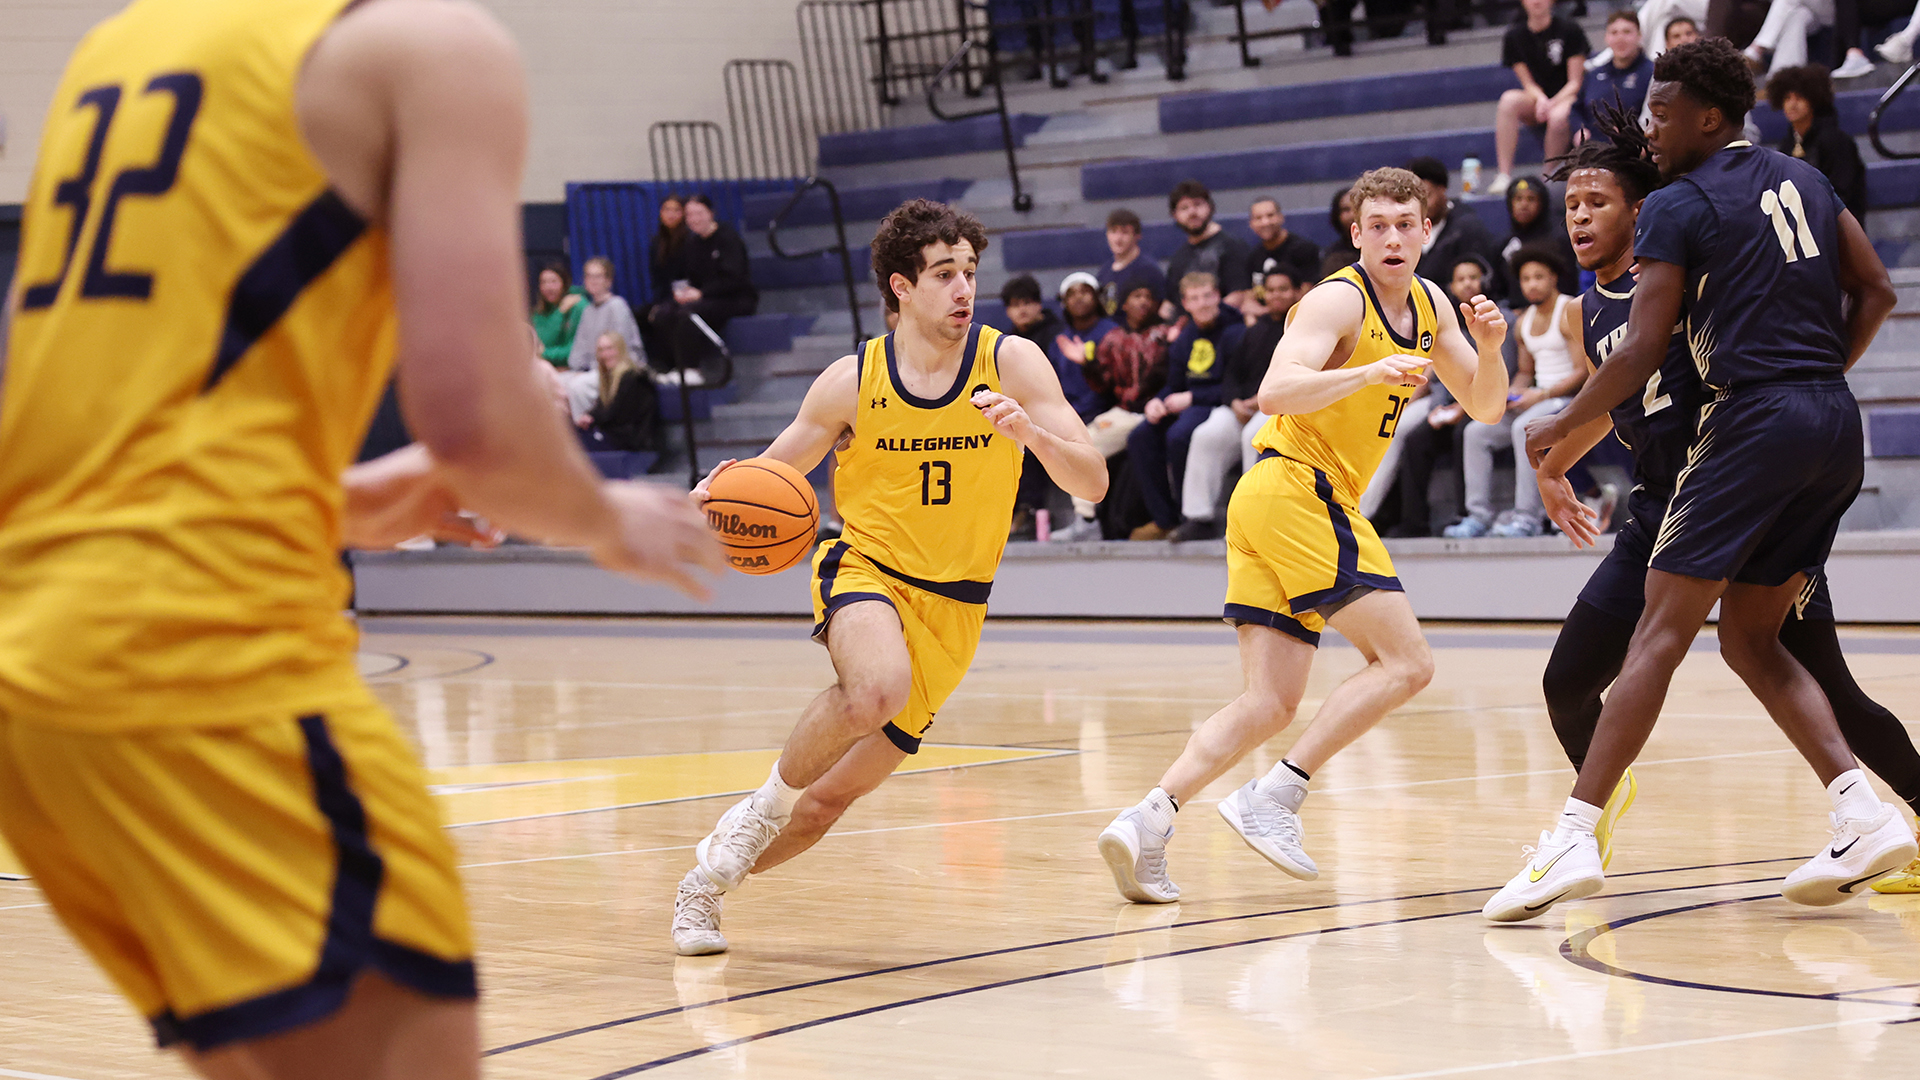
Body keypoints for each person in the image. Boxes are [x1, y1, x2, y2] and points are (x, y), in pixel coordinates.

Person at [0, 1, 722, 1076]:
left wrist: (330, 499)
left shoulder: (120, 47)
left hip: (35, 673)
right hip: (209, 666)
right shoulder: (429, 49)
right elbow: (479, 424)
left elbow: (85, 429)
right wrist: (605, 515)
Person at [1500, 39, 1908, 922]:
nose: (1648, 124)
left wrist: (1563, 424)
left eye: (1660, 110)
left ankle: (1572, 836)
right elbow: (1875, 291)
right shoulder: (1804, 178)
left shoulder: (1678, 204)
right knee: (1752, 640)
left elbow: (1647, 348)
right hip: (1834, 422)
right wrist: (1809, 376)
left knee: (1660, 630)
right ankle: (1860, 811)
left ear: (1709, 116)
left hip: (1750, 427)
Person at [669, 199, 1106, 955]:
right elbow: (769, 476)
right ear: (901, 286)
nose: (964, 289)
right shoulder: (852, 380)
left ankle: (703, 885)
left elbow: (1093, 482)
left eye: (970, 272)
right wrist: (711, 497)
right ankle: (759, 806)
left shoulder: (1012, 363)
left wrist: (1032, 435)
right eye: (944, 274)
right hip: (866, 567)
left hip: (957, 609)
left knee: (827, 804)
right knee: (873, 690)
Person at [1098, 168, 1512, 904]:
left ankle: (1147, 820)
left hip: (1270, 500)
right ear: (1356, 234)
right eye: (1375, 224)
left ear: (1426, 231)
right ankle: (1277, 795)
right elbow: (1275, 391)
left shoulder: (1431, 303)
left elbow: (1483, 407)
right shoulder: (1337, 299)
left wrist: (1491, 344)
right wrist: (1364, 373)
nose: (1390, 237)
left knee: (1269, 704)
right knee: (1407, 663)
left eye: (1403, 224)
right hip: (1298, 488)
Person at [1445, 247, 1587, 538]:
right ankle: (1478, 516)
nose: (1532, 284)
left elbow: (1582, 372)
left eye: (1539, 277)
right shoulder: (1523, 322)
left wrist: (1542, 394)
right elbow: (1525, 371)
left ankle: (1527, 518)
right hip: (1538, 398)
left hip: (1568, 400)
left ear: (1554, 278)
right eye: (1526, 279)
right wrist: (1512, 393)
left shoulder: (1567, 311)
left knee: (1525, 428)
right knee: (1476, 432)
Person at [1173, 267, 1305, 543]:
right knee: (1206, 435)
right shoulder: (1253, 330)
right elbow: (1232, 373)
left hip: (1283, 404)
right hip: (1243, 405)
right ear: (1262, 294)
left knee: (1253, 436)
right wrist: (1233, 401)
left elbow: (1304, 371)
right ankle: (1198, 517)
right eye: (1270, 290)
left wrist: (1262, 399)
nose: (1277, 295)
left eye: (1283, 289)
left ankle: (1254, 519)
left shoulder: (1304, 328)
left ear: (1296, 292)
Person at [1127, 273, 1245, 541]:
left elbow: (1235, 387)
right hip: (1190, 401)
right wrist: (1157, 401)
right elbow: (1174, 383)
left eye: (1207, 296)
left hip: (1217, 404)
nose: (1202, 304)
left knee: (1179, 435)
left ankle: (1188, 516)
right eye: (1195, 298)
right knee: (1141, 436)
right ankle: (1163, 519)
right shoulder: (1185, 336)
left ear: (1217, 296)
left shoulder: (1235, 331)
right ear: (1185, 304)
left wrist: (1193, 398)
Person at [1059, 282, 1173, 542]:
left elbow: (1172, 376)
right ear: (1124, 304)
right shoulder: (1114, 339)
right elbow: (1104, 385)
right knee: (1082, 444)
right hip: (1125, 412)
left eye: (1147, 295)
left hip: (1157, 409)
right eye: (1136, 295)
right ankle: (1085, 519)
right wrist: (1087, 365)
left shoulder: (1166, 334)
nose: (1143, 301)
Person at [650, 194, 756, 386]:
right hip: (705, 298)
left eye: (699, 213)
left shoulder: (727, 238)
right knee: (663, 313)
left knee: (688, 315)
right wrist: (684, 292)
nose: (694, 219)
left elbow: (735, 279)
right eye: (690, 215)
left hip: (735, 298)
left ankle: (692, 369)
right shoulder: (692, 244)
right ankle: (669, 366)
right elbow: (690, 278)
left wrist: (701, 293)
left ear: (711, 214)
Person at [1493, 0, 1591, 196]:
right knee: (1508, 100)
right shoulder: (1514, 36)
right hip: (1539, 99)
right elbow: (1527, 83)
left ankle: (1547, 176)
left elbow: (1575, 83)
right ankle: (1503, 174)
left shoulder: (1570, 29)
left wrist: (1552, 103)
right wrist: (1541, 100)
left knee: (1558, 115)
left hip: (1569, 97)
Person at [1767, 65, 1869, 222]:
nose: (1792, 104)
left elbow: (1843, 196)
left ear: (1813, 100)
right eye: (1787, 98)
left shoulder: (1837, 141)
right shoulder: (1786, 144)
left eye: (1799, 98)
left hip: (1837, 229)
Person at [1409, 157, 1508, 303]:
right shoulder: (1404, 230)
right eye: (1415, 198)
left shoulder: (1468, 229)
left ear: (1442, 190)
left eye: (1427, 196)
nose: (1422, 205)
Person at [567, 257, 646, 420]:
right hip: (594, 370)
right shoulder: (587, 311)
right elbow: (578, 351)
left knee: (578, 386)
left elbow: (620, 351)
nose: (593, 281)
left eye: (598, 276)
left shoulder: (617, 306)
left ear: (608, 281)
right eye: (589, 276)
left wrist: (591, 370)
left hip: (620, 370)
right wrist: (576, 369)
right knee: (557, 382)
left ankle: (590, 434)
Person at [1164, 180, 1253, 319]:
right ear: (1174, 215)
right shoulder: (1178, 258)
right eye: (1184, 208)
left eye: (1197, 204)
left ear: (1210, 207)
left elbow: (1239, 296)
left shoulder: (1232, 246)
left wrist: (1202, 319)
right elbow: (1170, 304)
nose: (1192, 212)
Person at [577, 333, 660, 454]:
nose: (605, 355)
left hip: (633, 440)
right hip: (618, 435)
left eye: (610, 349)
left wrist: (592, 419)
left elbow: (617, 415)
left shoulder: (632, 378)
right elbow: (602, 406)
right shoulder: (610, 379)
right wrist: (588, 416)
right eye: (601, 350)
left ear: (620, 349)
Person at [1499, 177, 1581, 296]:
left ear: (1542, 203)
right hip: (1511, 311)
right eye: (1518, 199)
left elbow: (1569, 284)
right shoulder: (1504, 242)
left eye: (1531, 199)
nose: (1524, 205)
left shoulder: (1559, 240)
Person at [1578, 10, 1656, 134]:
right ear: (1606, 38)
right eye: (1614, 33)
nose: (1620, 39)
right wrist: (1578, 129)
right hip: (1592, 144)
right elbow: (1576, 108)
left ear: (1639, 36)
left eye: (1627, 32)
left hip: (1634, 144)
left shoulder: (1653, 73)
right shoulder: (1593, 74)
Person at [1247, 197, 1320, 313]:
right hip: (1267, 323)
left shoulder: (1303, 249)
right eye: (1258, 218)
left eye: (1270, 215)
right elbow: (1248, 301)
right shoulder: (1252, 256)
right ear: (1251, 224)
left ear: (1281, 218)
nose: (1265, 222)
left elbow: (1308, 295)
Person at [1096, 208, 1168, 318]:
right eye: (1113, 231)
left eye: (1125, 232)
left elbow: (1161, 311)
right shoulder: (1104, 271)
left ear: (1137, 236)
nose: (1118, 239)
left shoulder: (1149, 270)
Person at [531, 261, 585, 369]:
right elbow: (545, 340)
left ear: (564, 283)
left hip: (574, 369)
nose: (548, 287)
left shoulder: (577, 306)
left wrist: (544, 354)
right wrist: (559, 313)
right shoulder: (540, 310)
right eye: (543, 282)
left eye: (553, 281)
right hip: (546, 368)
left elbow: (577, 350)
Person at [1000, 274, 1061, 348]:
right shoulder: (1007, 341)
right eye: (1016, 305)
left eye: (1027, 303)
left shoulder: (1059, 335)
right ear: (1007, 311)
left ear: (1039, 304)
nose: (1022, 309)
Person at [650, 194, 690, 305]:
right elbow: (656, 278)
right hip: (664, 297)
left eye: (676, 210)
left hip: (687, 296)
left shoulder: (690, 240)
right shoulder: (656, 242)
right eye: (666, 210)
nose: (671, 215)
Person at [1323, 186, 1360, 269]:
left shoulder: (1380, 248)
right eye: (1346, 209)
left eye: (1357, 208)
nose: (1352, 215)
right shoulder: (1332, 255)